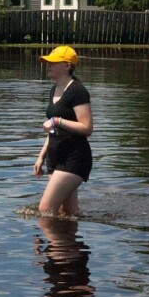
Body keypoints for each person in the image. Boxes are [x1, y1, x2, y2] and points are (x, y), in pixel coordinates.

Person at [33, 46, 93, 216]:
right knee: (67, 213)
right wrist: (41, 157)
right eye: (47, 62)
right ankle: (67, 243)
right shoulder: (54, 90)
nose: (48, 65)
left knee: (45, 210)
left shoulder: (77, 91)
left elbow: (87, 128)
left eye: (53, 62)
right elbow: (53, 130)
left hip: (74, 158)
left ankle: (53, 242)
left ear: (67, 66)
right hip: (55, 157)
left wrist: (57, 120)